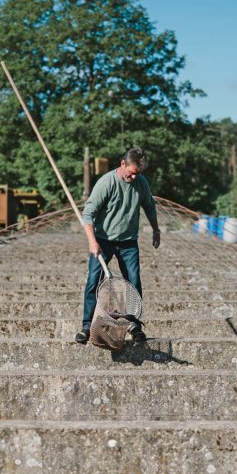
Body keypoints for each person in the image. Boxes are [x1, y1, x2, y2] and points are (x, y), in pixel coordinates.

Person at [75, 147, 160, 344]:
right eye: (131, 173)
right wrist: (92, 242)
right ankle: (87, 325)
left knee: (133, 283)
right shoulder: (107, 183)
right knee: (93, 282)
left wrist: (156, 230)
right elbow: (88, 214)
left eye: (137, 174)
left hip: (129, 242)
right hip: (103, 240)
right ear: (123, 164)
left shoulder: (141, 182)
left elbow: (149, 206)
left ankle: (133, 325)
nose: (133, 177)